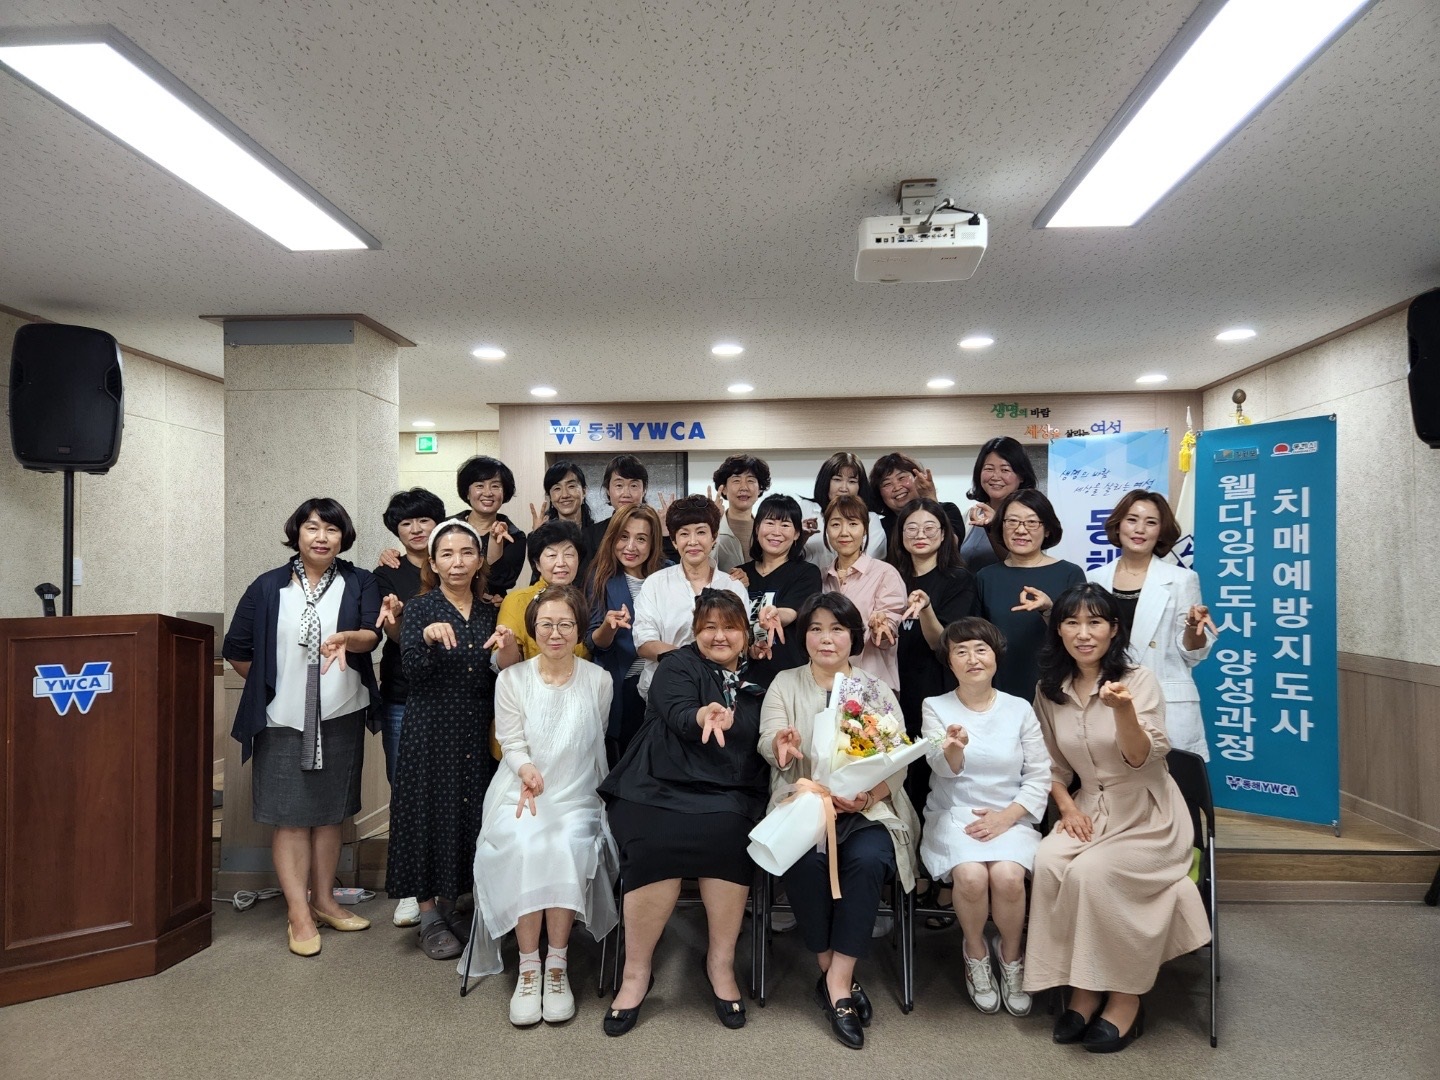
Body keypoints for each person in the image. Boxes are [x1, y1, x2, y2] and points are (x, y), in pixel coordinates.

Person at [1024, 584, 1211, 1054]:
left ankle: (1126, 997)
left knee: (1090, 872)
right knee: (1049, 861)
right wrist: (1067, 809)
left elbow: (1141, 756)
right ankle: (1082, 988)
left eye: (1095, 623)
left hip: (1147, 813)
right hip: (1088, 808)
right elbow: (1049, 767)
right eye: (1072, 623)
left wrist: (1124, 710)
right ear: (1058, 630)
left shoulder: (1138, 680)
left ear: (1113, 629)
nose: (1083, 633)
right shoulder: (1049, 690)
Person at [598, 591, 770, 1035]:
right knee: (652, 845)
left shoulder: (761, 674)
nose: (719, 636)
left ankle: (720, 965)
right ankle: (636, 973)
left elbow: (768, 731)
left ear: (746, 633)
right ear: (695, 631)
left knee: (730, 838)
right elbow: (676, 712)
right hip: (657, 783)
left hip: (729, 788)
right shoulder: (677, 664)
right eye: (709, 627)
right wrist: (702, 715)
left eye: (730, 627)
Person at [758, 592, 920, 1050]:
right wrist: (781, 747)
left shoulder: (874, 688)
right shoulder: (785, 682)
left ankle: (836, 980)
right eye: (815, 629)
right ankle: (835, 975)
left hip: (866, 807)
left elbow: (899, 760)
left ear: (854, 637)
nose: (825, 639)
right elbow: (768, 738)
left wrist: (868, 794)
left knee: (867, 860)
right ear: (803, 636)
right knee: (803, 862)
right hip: (805, 800)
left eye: (837, 629)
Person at [222, 498, 382, 957]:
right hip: (282, 718)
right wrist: (274, 686)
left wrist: (348, 638)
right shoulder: (268, 586)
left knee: (331, 814)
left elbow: (371, 634)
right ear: (297, 533)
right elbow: (236, 647)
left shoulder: (359, 581)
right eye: (312, 527)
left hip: (340, 712)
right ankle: (298, 912)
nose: (321, 537)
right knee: (290, 818)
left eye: (331, 529)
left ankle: (325, 901)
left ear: (343, 537)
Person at [464, 585, 618, 1028]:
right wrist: (527, 769)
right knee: (525, 843)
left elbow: (592, 739)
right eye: (547, 624)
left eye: (565, 624)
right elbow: (511, 741)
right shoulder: (512, 679)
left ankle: (557, 964)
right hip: (520, 792)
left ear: (579, 629)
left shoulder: (599, 680)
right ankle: (529, 967)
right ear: (533, 628)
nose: (555, 633)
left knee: (565, 845)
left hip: (577, 793)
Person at [385, 521, 520, 961]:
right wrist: (425, 638)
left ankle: (450, 905)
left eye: (466, 553)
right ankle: (427, 914)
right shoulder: (420, 608)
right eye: (447, 554)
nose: (457, 562)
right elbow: (413, 671)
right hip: (430, 726)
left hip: (477, 725)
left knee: (468, 814)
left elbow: (503, 672)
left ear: (480, 560)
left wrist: (508, 647)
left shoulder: (489, 610)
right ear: (433, 562)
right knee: (426, 812)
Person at [920, 617, 1049, 1016]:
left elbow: (1040, 773)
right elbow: (940, 767)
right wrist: (954, 748)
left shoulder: (1019, 708)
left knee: (1008, 877)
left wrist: (1007, 817)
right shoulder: (935, 706)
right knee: (972, 876)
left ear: (996, 656)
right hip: (954, 813)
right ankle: (974, 951)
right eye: (961, 651)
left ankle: (1011, 955)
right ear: (949, 662)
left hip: (1011, 813)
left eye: (981, 649)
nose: (972, 658)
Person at [1087, 490, 1218, 759]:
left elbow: (1192, 655)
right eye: (1132, 520)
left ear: (1161, 531)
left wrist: (1193, 628)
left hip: (1165, 700)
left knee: (1173, 781)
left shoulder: (1182, 579)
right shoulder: (1094, 579)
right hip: (1110, 695)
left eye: (1151, 522)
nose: (1140, 529)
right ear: (1118, 525)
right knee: (1114, 776)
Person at [371, 487, 447, 930]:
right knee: (405, 791)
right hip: (403, 694)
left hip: (455, 694)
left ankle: (448, 881)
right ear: (396, 531)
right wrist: (396, 618)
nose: (417, 529)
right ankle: (410, 889)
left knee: (450, 788)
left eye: (424, 520)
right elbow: (394, 636)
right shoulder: (387, 571)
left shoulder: (455, 559)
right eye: (406, 523)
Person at [888, 497, 977, 824]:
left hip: (936, 690)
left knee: (933, 777)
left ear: (943, 534)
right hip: (892, 693)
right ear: (900, 535)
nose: (920, 535)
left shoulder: (958, 579)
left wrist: (925, 608)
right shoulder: (889, 577)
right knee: (895, 780)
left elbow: (944, 644)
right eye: (911, 528)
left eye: (929, 528)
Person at [631, 495, 748, 700]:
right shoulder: (655, 584)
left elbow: (741, 640)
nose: (693, 541)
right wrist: (692, 663)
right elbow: (644, 643)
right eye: (684, 534)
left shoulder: (732, 586)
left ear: (714, 537)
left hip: (721, 693)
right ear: (674, 541)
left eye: (701, 532)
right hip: (666, 692)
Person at [975, 489, 1085, 700]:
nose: (1020, 530)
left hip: (1059, 689)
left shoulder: (1070, 574)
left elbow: (1082, 636)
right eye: (1012, 521)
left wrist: (1049, 610)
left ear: (1048, 530)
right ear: (1001, 526)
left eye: (1032, 522)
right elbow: (976, 639)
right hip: (1000, 691)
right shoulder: (986, 577)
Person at [584, 504, 671, 762]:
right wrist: (608, 627)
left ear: (653, 542)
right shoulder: (601, 576)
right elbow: (593, 642)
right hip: (623, 684)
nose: (630, 546)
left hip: (664, 679)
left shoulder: (669, 573)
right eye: (623, 536)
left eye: (641, 539)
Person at [731, 493, 822, 687]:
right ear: (757, 528)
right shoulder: (740, 575)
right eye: (770, 523)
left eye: (785, 525)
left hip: (790, 681)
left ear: (796, 533)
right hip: (742, 682)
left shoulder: (806, 573)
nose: (776, 532)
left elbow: (791, 612)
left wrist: (774, 613)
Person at [819, 494, 907, 690]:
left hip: (873, 687)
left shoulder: (885, 573)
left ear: (865, 529)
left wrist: (881, 628)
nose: (844, 532)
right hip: (828, 686)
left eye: (853, 524)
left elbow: (888, 633)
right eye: (835, 524)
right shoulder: (821, 577)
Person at [497, 520, 590, 661]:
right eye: (552, 555)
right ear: (537, 564)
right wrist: (507, 648)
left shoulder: (587, 600)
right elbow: (503, 664)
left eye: (569, 554)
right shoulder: (517, 601)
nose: (561, 563)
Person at [960, 437, 1038, 573]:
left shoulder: (1031, 516)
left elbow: (1021, 564)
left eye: (1005, 470)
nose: (995, 476)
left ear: (1021, 476)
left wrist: (993, 526)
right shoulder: (971, 513)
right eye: (989, 469)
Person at [455, 455, 528, 599]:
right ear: (467, 493)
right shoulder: (447, 528)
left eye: (495, 486)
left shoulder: (514, 536)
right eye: (479, 486)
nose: (488, 493)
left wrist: (495, 544)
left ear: (504, 493)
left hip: (491, 607)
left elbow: (504, 582)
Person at [800, 452, 886, 567]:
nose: (844, 488)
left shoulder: (871, 518)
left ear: (860, 487)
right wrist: (801, 539)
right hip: (808, 578)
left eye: (852, 482)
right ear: (825, 482)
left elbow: (871, 558)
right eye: (837, 479)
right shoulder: (806, 508)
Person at [868, 452, 967, 552]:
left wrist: (930, 498)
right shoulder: (878, 528)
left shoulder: (948, 510)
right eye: (887, 484)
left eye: (902, 478)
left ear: (918, 478)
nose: (897, 487)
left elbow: (951, 546)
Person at [531, 461, 598, 579]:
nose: (565, 495)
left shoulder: (598, 535)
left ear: (584, 491)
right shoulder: (542, 534)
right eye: (557, 488)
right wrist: (537, 538)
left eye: (571, 486)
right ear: (550, 496)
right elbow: (537, 580)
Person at [710, 453, 771, 572]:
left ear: (760, 488)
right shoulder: (712, 528)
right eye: (736, 480)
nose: (744, 487)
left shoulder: (767, 530)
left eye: (750, 480)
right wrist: (712, 524)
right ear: (724, 488)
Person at [584, 454, 650, 559]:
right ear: (607, 489)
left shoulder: (654, 530)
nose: (626, 493)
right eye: (619, 485)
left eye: (634, 485)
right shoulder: (592, 535)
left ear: (644, 490)